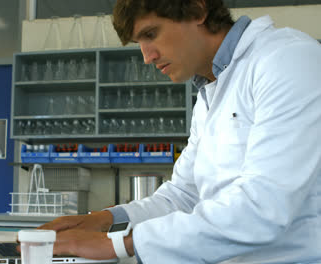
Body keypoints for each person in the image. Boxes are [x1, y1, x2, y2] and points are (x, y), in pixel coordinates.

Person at [38, 0, 321, 263]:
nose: (146, 57)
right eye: (139, 43)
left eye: (151, 34)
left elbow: (264, 208)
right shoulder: (211, 91)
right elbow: (184, 196)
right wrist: (106, 219)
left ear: (197, 11)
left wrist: (115, 244)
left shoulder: (287, 58)